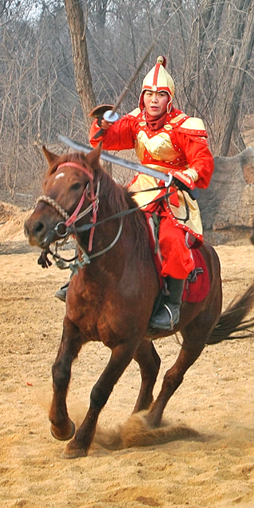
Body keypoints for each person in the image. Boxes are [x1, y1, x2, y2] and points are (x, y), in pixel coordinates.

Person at [88, 56, 214, 332]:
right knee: (103, 219)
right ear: (142, 96)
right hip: (139, 187)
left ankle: (172, 304)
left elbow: (202, 162)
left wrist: (186, 175)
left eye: (160, 95)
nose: (153, 100)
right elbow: (104, 141)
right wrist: (103, 125)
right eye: (149, 94)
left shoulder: (185, 125)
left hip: (171, 193)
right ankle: (82, 277)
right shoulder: (135, 121)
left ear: (169, 99)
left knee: (170, 238)